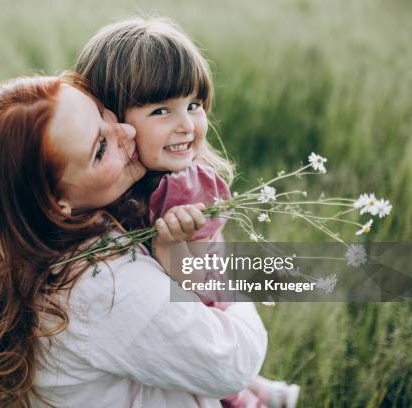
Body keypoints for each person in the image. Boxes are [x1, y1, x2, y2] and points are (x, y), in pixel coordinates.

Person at [0, 72, 267, 407]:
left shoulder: (21, 239)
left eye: (102, 112)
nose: (127, 131)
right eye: (100, 148)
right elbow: (233, 363)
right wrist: (213, 266)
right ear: (56, 204)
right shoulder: (107, 288)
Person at [76, 17, 299, 408]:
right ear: (112, 120)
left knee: (221, 388)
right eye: (161, 111)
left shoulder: (189, 191)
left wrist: (171, 244)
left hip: (198, 312)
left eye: (194, 105)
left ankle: (254, 393)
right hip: (150, 338)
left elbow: (194, 289)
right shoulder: (107, 185)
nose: (186, 125)